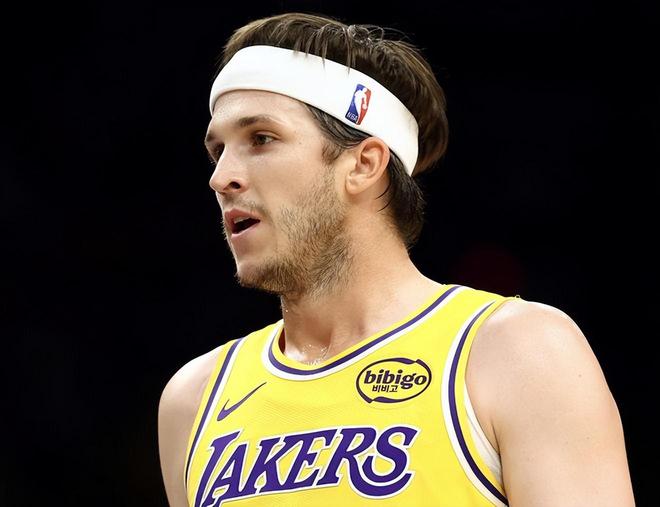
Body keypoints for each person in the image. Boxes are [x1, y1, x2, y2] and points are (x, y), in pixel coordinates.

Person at [157, 12, 635, 507]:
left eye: (261, 139)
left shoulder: (517, 353)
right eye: (218, 151)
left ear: (364, 164)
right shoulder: (193, 399)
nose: (221, 178)